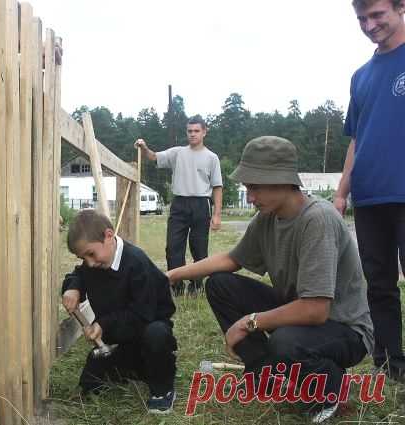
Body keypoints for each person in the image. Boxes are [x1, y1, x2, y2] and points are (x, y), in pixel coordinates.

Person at [168, 136, 374, 423]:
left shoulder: (318, 220)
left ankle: (331, 391)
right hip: (299, 308)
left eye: (254, 187)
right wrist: (171, 275)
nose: (250, 196)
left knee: (284, 341)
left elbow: (316, 309)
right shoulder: (268, 217)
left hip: (344, 327)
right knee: (219, 284)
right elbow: (232, 259)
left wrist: (249, 321)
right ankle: (267, 376)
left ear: (281, 181)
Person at [334, 0, 405, 380]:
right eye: (362, 18)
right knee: (378, 285)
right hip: (370, 195)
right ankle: (390, 363)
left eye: (378, 15)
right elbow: (356, 140)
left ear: (401, 7)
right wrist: (343, 191)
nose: (369, 24)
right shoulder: (360, 76)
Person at [61, 209, 178, 414]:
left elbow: (142, 315)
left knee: (156, 334)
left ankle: (163, 388)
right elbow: (79, 273)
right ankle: (133, 369)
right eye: (83, 257)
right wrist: (73, 288)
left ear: (108, 235)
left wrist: (103, 324)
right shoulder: (94, 264)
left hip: (148, 332)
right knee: (91, 383)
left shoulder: (136, 263)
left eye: (90, 254)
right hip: (122, 340)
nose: (89, 262)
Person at [134, 116, 223, 296]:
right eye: (189, 131)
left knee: (199, 247)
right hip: (179, 204)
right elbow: (153, 157)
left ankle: (196, 285)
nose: (192, 134)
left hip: (201, 204)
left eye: (196, 131)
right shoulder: (177, 153)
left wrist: (217, 214)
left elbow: (217, 187)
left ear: (204, 132)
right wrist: (144, 147)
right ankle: (176, 285)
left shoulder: (212, 158)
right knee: (173, 246)